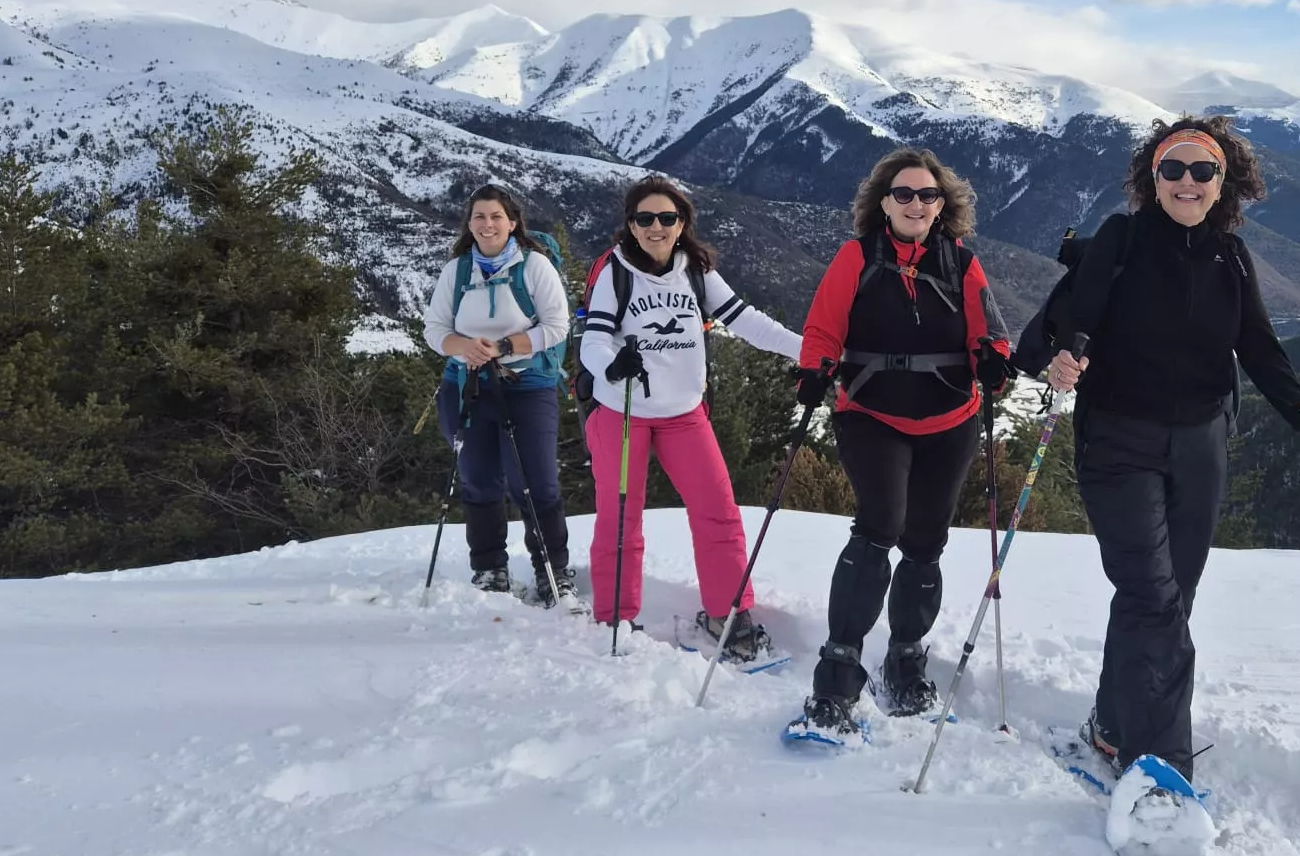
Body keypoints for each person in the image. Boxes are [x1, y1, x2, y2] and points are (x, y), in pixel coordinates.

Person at [1046, 116, 1300, 784]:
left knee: (1170, 594)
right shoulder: (1121, 239)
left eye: (1202, 170)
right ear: (1153, 178)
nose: (1186, 181)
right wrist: (1066, 356)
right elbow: (1077, 320)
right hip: (1118, 437)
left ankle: (1114, 725)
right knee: (1153, 597)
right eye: (1172, 169)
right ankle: (1160, 767)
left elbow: (1259, 348)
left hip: (1202, 442)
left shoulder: (1230, 257)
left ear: (1222, 182)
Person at [788, 147, 1013, 738]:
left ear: (943, 206)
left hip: (951, 418)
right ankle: (837, 671)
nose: (917, 203)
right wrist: (816, 367)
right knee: (880, 525)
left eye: (928, 195)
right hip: (871, 413)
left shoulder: (963, 263)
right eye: (904, 194)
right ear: (883, 203)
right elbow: (824, 325)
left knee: (926, 538)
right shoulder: (856, 257)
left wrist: (994, 361)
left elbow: (991, 330)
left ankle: (905, 657)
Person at [579, 174, 804, 658]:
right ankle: (615, 620)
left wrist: (808, 352)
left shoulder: (695, 271)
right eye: (645, 219)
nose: (656, 227)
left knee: (718, 513)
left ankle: (729, 614)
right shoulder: (614, 274)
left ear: (682, 224)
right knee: (620, 521)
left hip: (684, 413)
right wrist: (611, 366)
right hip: (623, 414)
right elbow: (593, 341)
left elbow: (747, 320)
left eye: (667, 217)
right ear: (631, 226)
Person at [421, 183, 575, 602]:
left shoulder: (535, 266)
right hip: (466, 385)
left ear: (512, 223)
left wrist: (504, 347)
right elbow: (435, 329)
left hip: (526, 385)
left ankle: (552, 569)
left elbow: (557, 326)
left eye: (495, 217)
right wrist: (464, 348)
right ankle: (489, 568)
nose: (487, 225)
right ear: (469, 225)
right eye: (479, 217)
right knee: (478, 479)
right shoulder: (457, 271)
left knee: (536, 482)